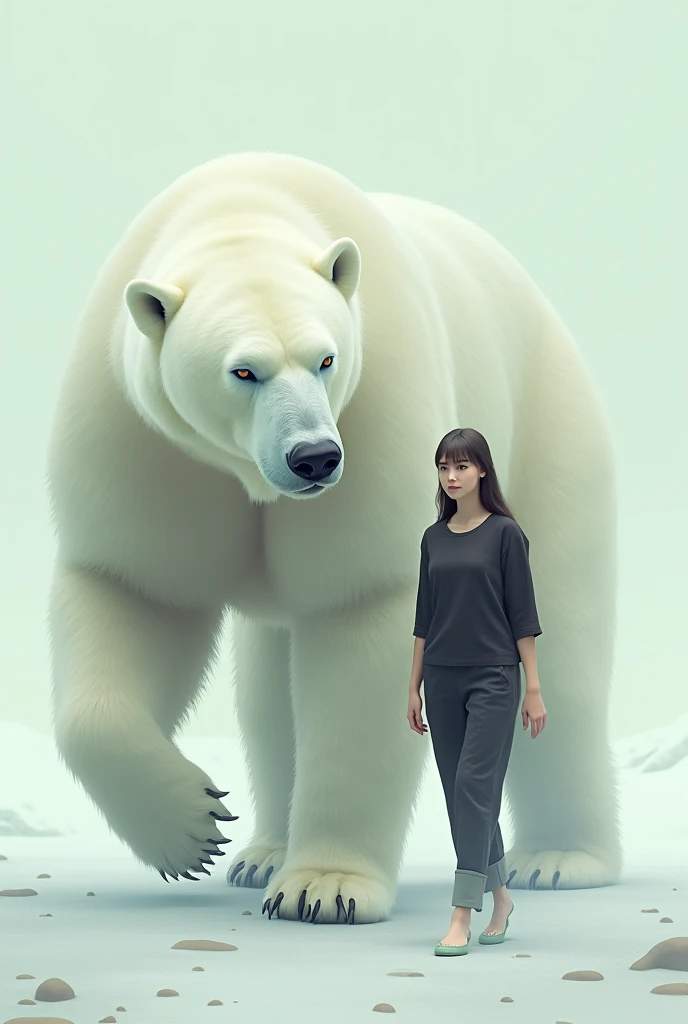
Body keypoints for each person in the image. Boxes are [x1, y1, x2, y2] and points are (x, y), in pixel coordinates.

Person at [407, 427, 547, 957]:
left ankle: (462, 911)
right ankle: (503, 897)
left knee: (473, 784)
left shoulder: (506, 534)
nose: (452, 476)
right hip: (441, 676)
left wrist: (533, 686)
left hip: (494, 676)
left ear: (482, 470)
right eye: (444, 467)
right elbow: (423, 618)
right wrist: (413, 686)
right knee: (462, 793)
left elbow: (523, 617)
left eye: (462, 466)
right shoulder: (433, 538)